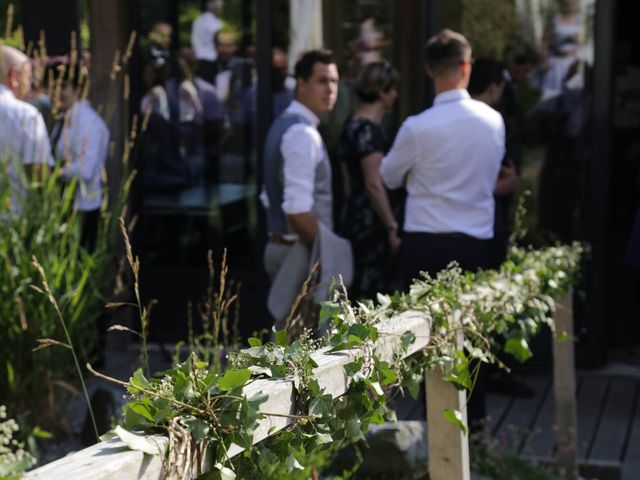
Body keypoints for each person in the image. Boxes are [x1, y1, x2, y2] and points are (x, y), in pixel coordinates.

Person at [380, 30, 505, 429]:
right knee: (472, 337)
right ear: (466, 67)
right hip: (475, 246)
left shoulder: (418, 126)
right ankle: (476, 427)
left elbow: (389, 176)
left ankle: (421, 430)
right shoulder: (493, 121)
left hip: (425, 245)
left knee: (417, 340)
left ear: (430, 71)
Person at [261, 49, 344, 327]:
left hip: (287, 249)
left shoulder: (287, 124)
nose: (330, 89)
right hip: (298, 255)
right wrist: (326, 253)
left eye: (334, 81)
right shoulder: (301, 134)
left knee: (291, 349)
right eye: (322, 81)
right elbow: (297, 211)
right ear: (301, 83)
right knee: (296, 355)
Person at [338, 61, 401, 300]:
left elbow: (347, 181)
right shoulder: (368, 131)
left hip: (352, 216)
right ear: (381, 91)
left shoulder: (349, 126)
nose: (395, 95)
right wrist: (391, 225)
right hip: (371, 221)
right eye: (392, 89)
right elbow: (373, 184)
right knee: (372, 293)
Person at [52, 63, 110, 251]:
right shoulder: (64, 118)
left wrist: (55, 173)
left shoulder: (89, 122)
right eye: (57, 85)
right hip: (64, 205)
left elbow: (86, 171)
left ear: (77, 89)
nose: (58, 91)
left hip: (82, 208)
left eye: (64, 87)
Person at [0, 45, 53, 211]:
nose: (29, 87)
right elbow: (39, 174)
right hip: (11, 223)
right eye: (28, 78)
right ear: (14, 75)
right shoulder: (27, 115)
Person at [191, 0, 224, 84]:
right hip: (211, 59)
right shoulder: (216, 23)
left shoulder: (198, 20)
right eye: (220, 8)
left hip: (199, 58)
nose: (221, 10)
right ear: (216, 8)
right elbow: (218, 40)